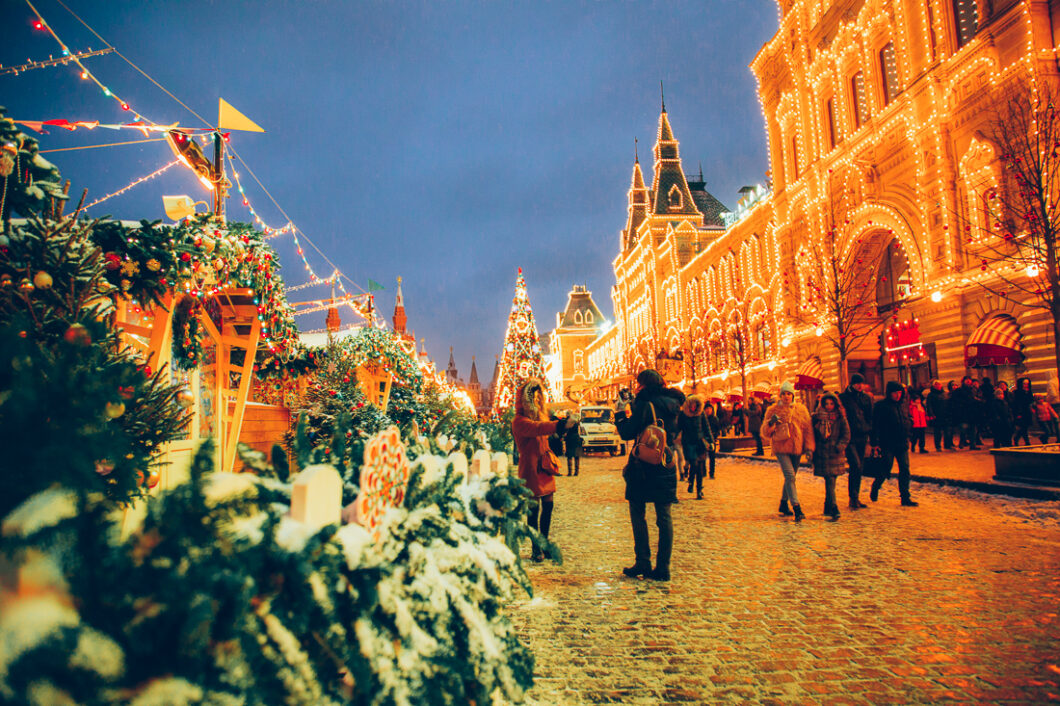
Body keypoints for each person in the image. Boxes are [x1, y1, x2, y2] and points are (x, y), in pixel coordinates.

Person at [615, 369, 685, 581]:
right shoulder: (674, 404)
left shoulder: (645, 405)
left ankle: (643, 561)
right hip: (666, 462)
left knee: (638, 511)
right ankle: (663, 567)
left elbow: (627, 432)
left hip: (644, 465)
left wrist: (620, 412)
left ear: (643, 385)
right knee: (664, 517)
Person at [513, 379, 577, 562]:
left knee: (548, 505)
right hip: (531, 468)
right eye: (534, 398)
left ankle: (545, 543)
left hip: (545, 465)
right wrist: (560, 424)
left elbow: (546, 430)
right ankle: (536, 547)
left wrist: (563, 427)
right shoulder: (519, 421)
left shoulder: (542, 416)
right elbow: (538, 429)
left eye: (539, 397)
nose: (538, 400)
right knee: (534, 509)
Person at [761, 381, 814, 522]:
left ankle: (783, 503)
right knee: (790, 475)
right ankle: (797, 507)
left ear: (792, 395)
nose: (786, 396)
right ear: (780, 395)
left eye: (789, 394)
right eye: (784, 394)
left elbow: (808, 430)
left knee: (790, 477)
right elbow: (765, 432)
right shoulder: (773, 410)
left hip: (797, 447)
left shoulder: (801, 410)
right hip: (781, 447)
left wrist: (809, 448)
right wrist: (771, 423)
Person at [869, 381, 918, 507]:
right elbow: (875, 425)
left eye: (900, 393)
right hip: (887, 443)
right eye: (895, 393)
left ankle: (905, 497)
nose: (897, 395)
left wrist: (910, 434)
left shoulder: (902, 405)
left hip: (902, 442)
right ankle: (876, 486)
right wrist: (875, 442)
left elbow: (906, 419)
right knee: (886, 468)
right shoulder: (881, 406)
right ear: (889, 393)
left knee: (905, 469)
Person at [812, 392, 851, 521]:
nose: (829, 406)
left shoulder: (840, 418)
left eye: (831, 403)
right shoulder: (817, 418)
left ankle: (829, 506)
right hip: (822, 454)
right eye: (826, 403)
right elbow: (811, 434)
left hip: (835, 453)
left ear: (835, 404)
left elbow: (846, 435)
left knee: (831, 480)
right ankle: (833, 507)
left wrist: (839, 447)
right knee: (829, 480)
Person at [839, 373, 873, 509]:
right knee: (856, 465)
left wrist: (871, 435)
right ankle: (853, 498)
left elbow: (870, 416)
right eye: (857, 383)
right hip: (849, 436)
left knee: (860, 467)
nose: (860, 386)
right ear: (852, 384)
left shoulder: (866, 398)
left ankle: (855, 497)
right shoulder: (843, 398)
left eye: (862, 383)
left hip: (862, 435)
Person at [678, 394, 714, 499]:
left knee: (700, 467)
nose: (693, 405)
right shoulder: (683, 414)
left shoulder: (701, 413)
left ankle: (699, 490)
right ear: (688, 404)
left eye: (695, 403)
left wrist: (711, 441)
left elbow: (706, 428)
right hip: (688, 443)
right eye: (691, 403)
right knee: (694, 464)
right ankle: (690, 481)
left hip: (699, 442)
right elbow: (678, 427)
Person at [925, 380, 951, 451]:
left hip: (946, 415)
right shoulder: (931, 395)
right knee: (938, 432)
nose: (938, 385)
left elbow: (949, 404)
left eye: (939, 384)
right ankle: (938, 446)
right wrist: (931, 414)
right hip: (937, 416)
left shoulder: (945, 394)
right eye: (936, 384)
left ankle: (947, 445)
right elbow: (929, 405)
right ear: (934, 386)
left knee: (947, 431)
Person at [1012, 377, 1035, 446]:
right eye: (1024, 384)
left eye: (1027, 384)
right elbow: (1017, 403)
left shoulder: (1029, 391)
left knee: (1025, 427)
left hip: (1027, 411)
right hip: (1021, 411)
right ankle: (1026, 441)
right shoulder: (1017, 392)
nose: (1026, 385)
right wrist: (1019, 413)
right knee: (1023, 427)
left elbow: (1031, 400)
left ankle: (1018, 438)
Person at [702, 401, 722, 478]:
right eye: (707, 409)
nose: (708, 410)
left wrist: (715, 436)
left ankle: (712, 473)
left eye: (710, 408)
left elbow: (718, 428)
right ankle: (703, 472)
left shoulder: (714, 418)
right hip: (704, 439)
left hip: (712, 439)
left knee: (712, 457)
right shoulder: (703, 418)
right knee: (703, 457)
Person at [563, 412, 583, 476]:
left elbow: (565, 431)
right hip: (576, 439)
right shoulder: (577, 423)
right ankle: (576, 472)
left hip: (569, 439)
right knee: (576, 455)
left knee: (569, 456)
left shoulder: (567, 422)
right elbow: (579, 431)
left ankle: (570, 472)